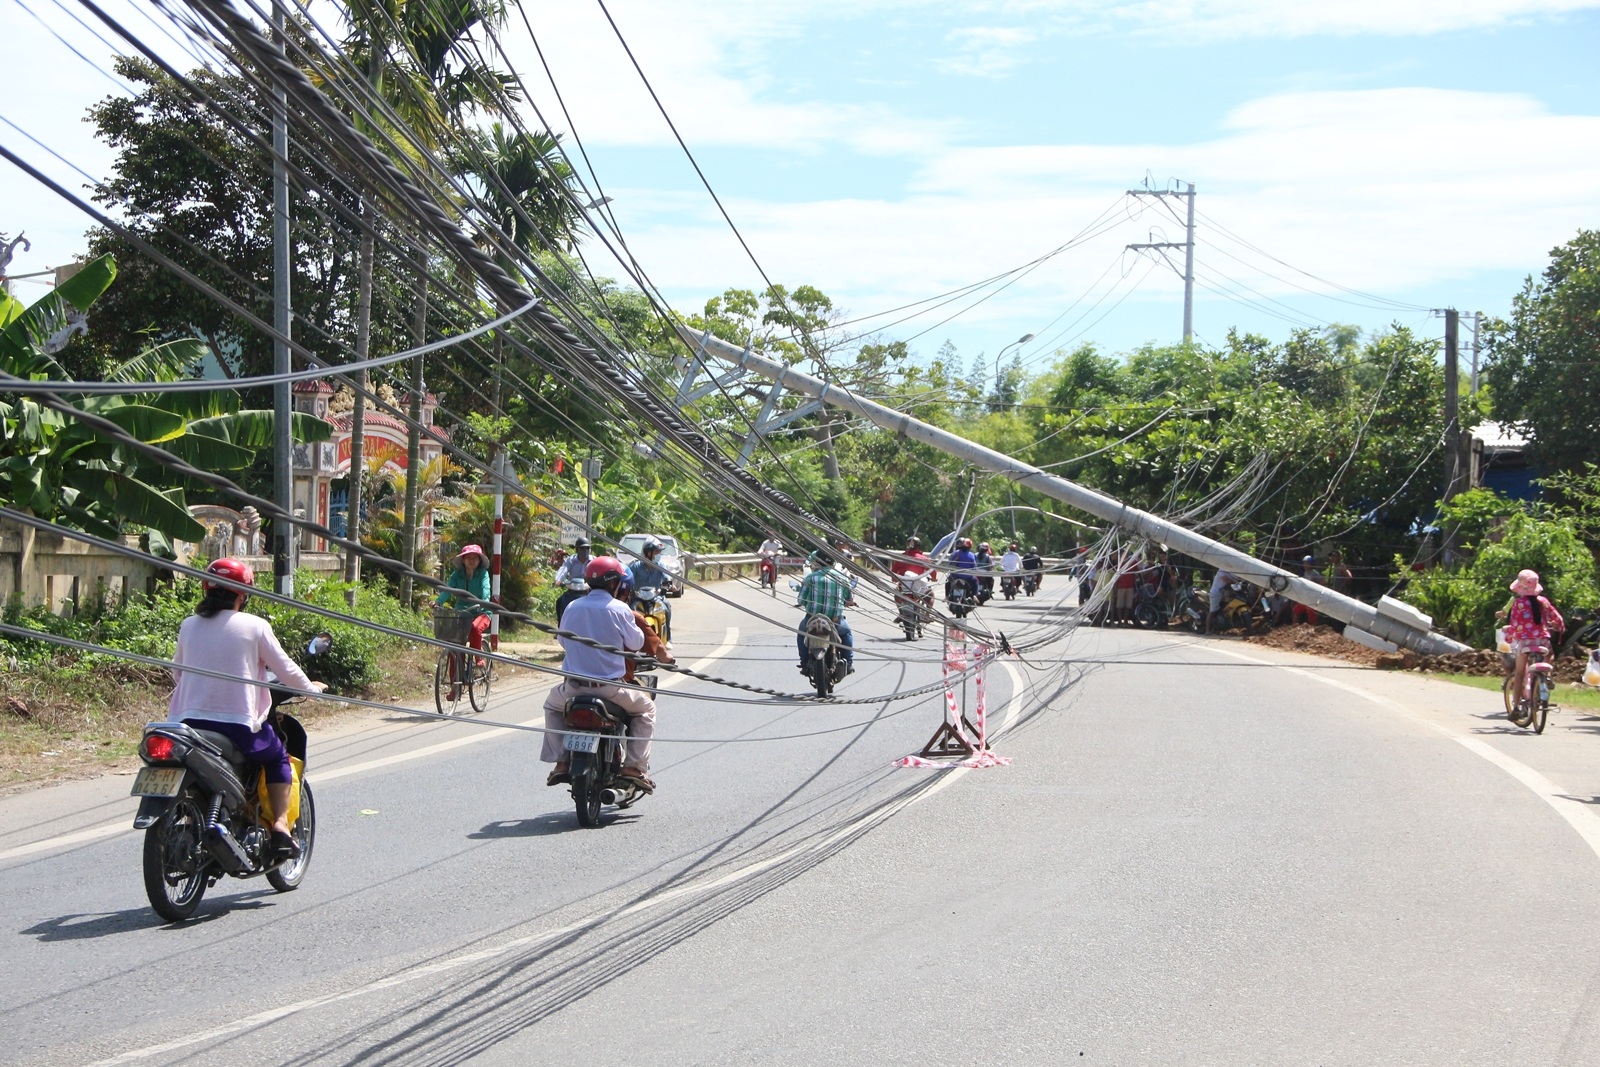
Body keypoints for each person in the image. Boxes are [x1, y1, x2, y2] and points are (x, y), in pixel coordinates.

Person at [168, 558, 325, 862]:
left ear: (206, 589)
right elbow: (286, 669)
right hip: (235, 726)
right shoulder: (255, 626)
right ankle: (280, 826)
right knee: (278, 755)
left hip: (185, 724)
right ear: (243, 593)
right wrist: (311, 689)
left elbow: (178, 674)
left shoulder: (189, 625)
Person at [542, 557, 658, 792]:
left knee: (552, 707)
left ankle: (561, 762)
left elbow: (564, 642)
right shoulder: (620, 609)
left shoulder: (572, 606)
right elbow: (636, 643)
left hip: (573, 688)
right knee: (647, 710)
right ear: (614, 583)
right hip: (610, 689)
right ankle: (634, 766)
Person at [1498, 569, 1565, 711]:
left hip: (1525, 642)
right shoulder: (1543, 601)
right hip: (1543, 641)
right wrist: (1558, 627)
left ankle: (1515, 707)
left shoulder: (1518, 603)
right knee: (1550, 654)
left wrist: (1509, 636)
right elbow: (1557, 618)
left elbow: (1515, 624)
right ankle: (1546, 676)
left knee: (1520, 673)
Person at [436, 545, 493, 698]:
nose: (471, 560)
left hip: (482, 611)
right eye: (468, 557)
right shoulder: (457, 575)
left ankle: (479, 659)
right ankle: (456, 687)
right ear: (463, 559)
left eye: (475, 558)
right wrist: (438, 601)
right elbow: (448, 590)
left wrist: (484, 601)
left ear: (479, 560)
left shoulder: (483, 574)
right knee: (454, 648)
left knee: (475, 629)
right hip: (462, 612)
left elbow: (485, 589)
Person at [797, 550, 855, 673]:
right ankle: (848, 663)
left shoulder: (810, 578)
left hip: (811, 620)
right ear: (834, 563)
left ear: (817, 562)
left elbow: (801, 600)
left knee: (801, 633)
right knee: (847, 633)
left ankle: (804, 663)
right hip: (835, 622)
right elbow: (849, 598)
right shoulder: (842, 578)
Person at [615, 572, 674, 683]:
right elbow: (637, 643)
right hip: (615, 682)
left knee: (666, 607)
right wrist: (666, 658)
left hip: (574, 683)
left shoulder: (572, 607)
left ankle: (668, 635)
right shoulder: (629, 615)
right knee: (647, 701)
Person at [627, 538, 674, 636]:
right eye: (656, 552)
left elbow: (667, 578)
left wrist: (669, 585)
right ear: (648, 553)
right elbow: (628, 579)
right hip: (637, 598)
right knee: (628, 611)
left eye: (659, 552)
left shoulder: (661, 566)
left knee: (667, 607)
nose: (658, 555)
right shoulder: (636, 566)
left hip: (657, 597)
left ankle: (668, 637)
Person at [553, 537, 594, 625]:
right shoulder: (571, 560)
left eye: (587, 548)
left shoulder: (594, 561)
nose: (585, 550)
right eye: (582, 548)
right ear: (577, 549)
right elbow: (563, 569)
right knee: (560, 602)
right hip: (573, 589)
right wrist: (558, 580)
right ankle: (561, 627)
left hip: (589, 590)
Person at [947, 537, 979, 604]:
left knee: (947, 582)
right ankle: (974, 595)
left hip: (955, 576)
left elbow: (950, 563)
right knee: (975, 580)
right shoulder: (972, 555)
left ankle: (947, 596)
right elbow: (974, 567)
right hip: (967, 577)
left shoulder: (955, 553)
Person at [1207, 566, 1236, 634]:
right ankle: (1207, 630)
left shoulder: (1234, 570)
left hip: (1225, 593)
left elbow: (1239, 579)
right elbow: (1227, 580)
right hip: (1216, 593)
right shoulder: (1222, 570)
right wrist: (1234, 581)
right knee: (1212, 611)